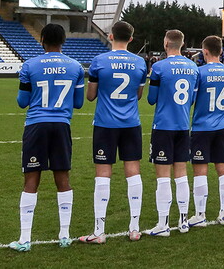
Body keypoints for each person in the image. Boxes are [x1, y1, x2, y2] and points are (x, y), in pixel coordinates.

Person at [11, 24, 84, 252]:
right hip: (62, 125)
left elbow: (22, 102)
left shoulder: (30, 65)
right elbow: (79, 103)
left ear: (42, 39)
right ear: (64, 41)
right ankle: (65, 235)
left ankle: (25, 239)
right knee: (62, 177)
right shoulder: (75, 66)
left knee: (31, 179)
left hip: (36, 125)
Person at [78, 21, 147, 245]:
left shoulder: (99, 61)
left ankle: (99, 231)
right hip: (130, 123)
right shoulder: (140, 62)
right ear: (131, 39)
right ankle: (135, 228)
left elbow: (90, 96)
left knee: (103, 173)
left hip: (106, 123)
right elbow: (138, 95)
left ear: (110, 36)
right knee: (133, 172)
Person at [143, 30, 198, 237]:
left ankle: (163, 224)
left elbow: (151, 99)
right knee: (181, 174)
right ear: (182, 44)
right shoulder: (193, 67)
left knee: (163, 177)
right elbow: (191, 99)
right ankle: (183, 221)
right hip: (183, 126)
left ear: (166, 43)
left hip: (163, 126)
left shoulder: (159, 67)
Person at [188, 36, 224, 228]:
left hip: (202, 127)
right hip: (222, 126)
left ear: (205, 51)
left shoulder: (199, 73)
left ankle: (200, 214)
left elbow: (191, 99)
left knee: (200, 171)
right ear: (221, 51)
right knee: (223, 167)